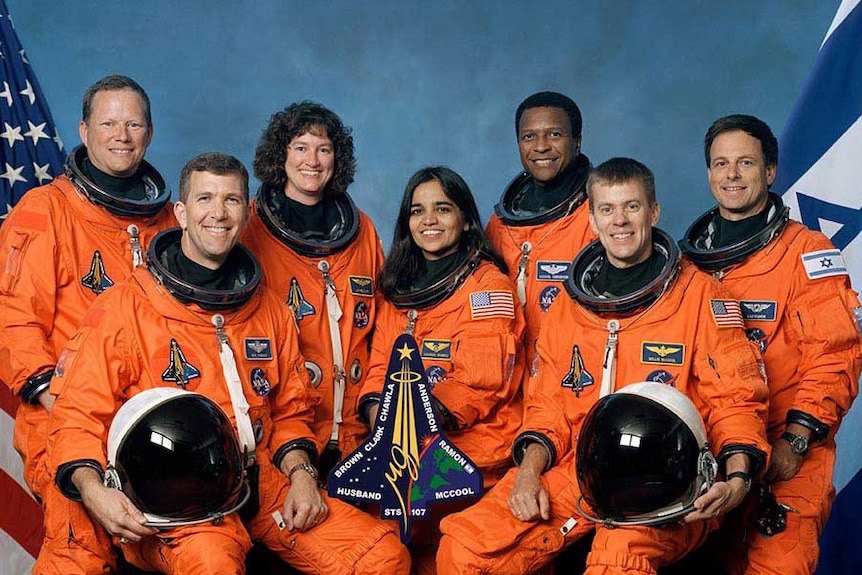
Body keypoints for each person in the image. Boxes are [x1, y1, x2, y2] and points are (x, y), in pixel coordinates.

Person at [45, 152, 410, 575]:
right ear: (180, 212)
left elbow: (292, 410)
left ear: (246, 212)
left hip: (264, 482)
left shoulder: (270, 309)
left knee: (382, 556)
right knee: (213, 566)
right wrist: (94, 490)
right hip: (179, 503)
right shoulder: (126, 308)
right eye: (205, 199)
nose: (218, 214)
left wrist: (302, 475)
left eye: (232, 201)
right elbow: (75, 416)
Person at [437, 157, 770, 575]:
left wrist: (736, 480)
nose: (620, 221)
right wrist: (527, 473)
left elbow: (736, 401)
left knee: (618, 557)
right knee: (464, 548)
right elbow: (547, 409)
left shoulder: (701, 297)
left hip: (670, 478)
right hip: (579, 469)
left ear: (653, 212)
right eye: (608, 209)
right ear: (592, 219)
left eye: (632, 207)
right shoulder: (567, 308)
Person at [0, 74, 176, 574]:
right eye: (109, 123)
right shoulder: (45, 211)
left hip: (144, 421)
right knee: (82, 552)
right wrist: (57, 398)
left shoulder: (168, 224)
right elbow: (13, 318)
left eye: (134, 123)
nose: (122, 134)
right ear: (84, 131)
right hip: (65, 416)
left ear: (149, 133)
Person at [680, 114, 861, 575]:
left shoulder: (807, 253)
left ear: (771, 171)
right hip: (710, 453)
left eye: (745, 162)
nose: (732, 175)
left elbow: (835, 356)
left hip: (787, 454)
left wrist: (796, 442)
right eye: (721, 164)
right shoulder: (686, 263)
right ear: (709, 174)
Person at [357, 166, 525, 574]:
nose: (428, 220)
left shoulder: (488, 288)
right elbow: (380, 364)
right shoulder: (397, 287)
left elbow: (479, 384)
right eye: (417, 211)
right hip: (402, 456)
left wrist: (412, 425)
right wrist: (378, 414)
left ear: (466, 219)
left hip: (474, 459)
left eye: (442, 209)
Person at [242, 101, 385, 477]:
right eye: (301, 148)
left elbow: (384, 326)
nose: (313, 161)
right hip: (287, 436)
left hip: (359, 429)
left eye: (324, 149)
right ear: (281, 155)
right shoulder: (249, 231)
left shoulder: (363, 232)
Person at [485, 91, 595, 376]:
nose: (541, 147)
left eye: (554, 134)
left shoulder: (599, 217)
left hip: (569, 374)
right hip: (508, 380)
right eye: (529, 137)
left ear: (577, 142)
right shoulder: (500, 224)